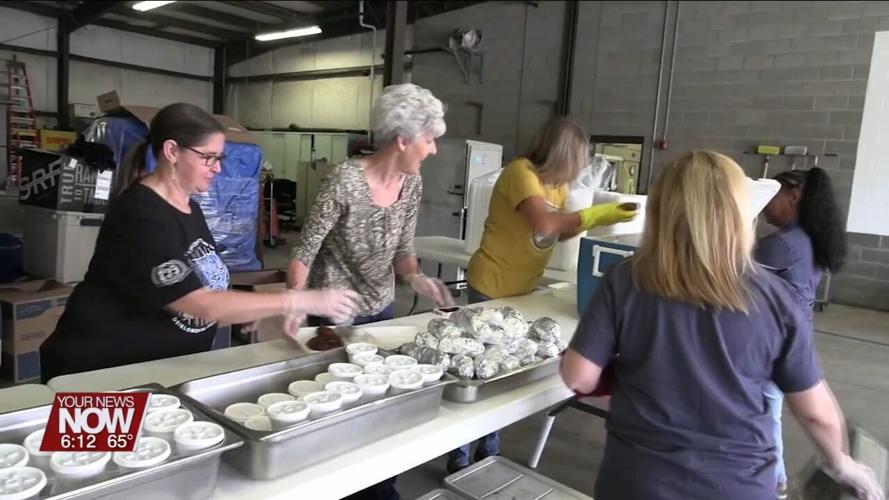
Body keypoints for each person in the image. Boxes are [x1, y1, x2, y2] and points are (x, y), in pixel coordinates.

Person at [560, 151, 882, 500]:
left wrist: (621, 369)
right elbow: (816, 413)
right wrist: (842, 465)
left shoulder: (624, 279)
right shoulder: (776, 298)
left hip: (637, 482)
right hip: (739, 486)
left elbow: (578, 376)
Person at [40, 103, 356, 382]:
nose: (218, 168)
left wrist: (249, 309)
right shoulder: (141, 214)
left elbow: (207, 281)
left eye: (220, 157)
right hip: (104, 376)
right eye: (208, 158)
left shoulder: (188, 207)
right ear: (172, 152)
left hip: (163, 371)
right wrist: (298, 300)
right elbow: (198, 302)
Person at [287, 83, 453, 500]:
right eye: (429, 139)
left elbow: (404, 251)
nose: (433, 149)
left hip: (380, 311)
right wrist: (294, 303)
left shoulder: (411, 184)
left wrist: (416, 279)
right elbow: (304, 251)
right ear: (403, 139)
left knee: (381, 408)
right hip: (333, 314)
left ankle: (381, 491)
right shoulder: (344, 180)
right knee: (337, 410)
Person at [447, 117, 638, 473]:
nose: (579, 169)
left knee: (501, 371)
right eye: (578, 160)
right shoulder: (521, 173)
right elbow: (546, 223)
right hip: (490, 286)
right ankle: (459, 450)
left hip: (521, 290)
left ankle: (488, 444)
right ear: (563, 155)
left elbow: (558, 233)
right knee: (478, 372)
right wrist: (597, 214)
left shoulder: (557, 188)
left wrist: (589, 222)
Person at [756, 167, 848, 498]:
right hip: (796, 339)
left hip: (772, 344)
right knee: (772, 412)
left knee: (766, 414)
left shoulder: (782, 244)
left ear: (793, 196)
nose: (765, 204)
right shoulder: (808, 239)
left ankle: (774, 483)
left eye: (772, 195)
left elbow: (728, 277)